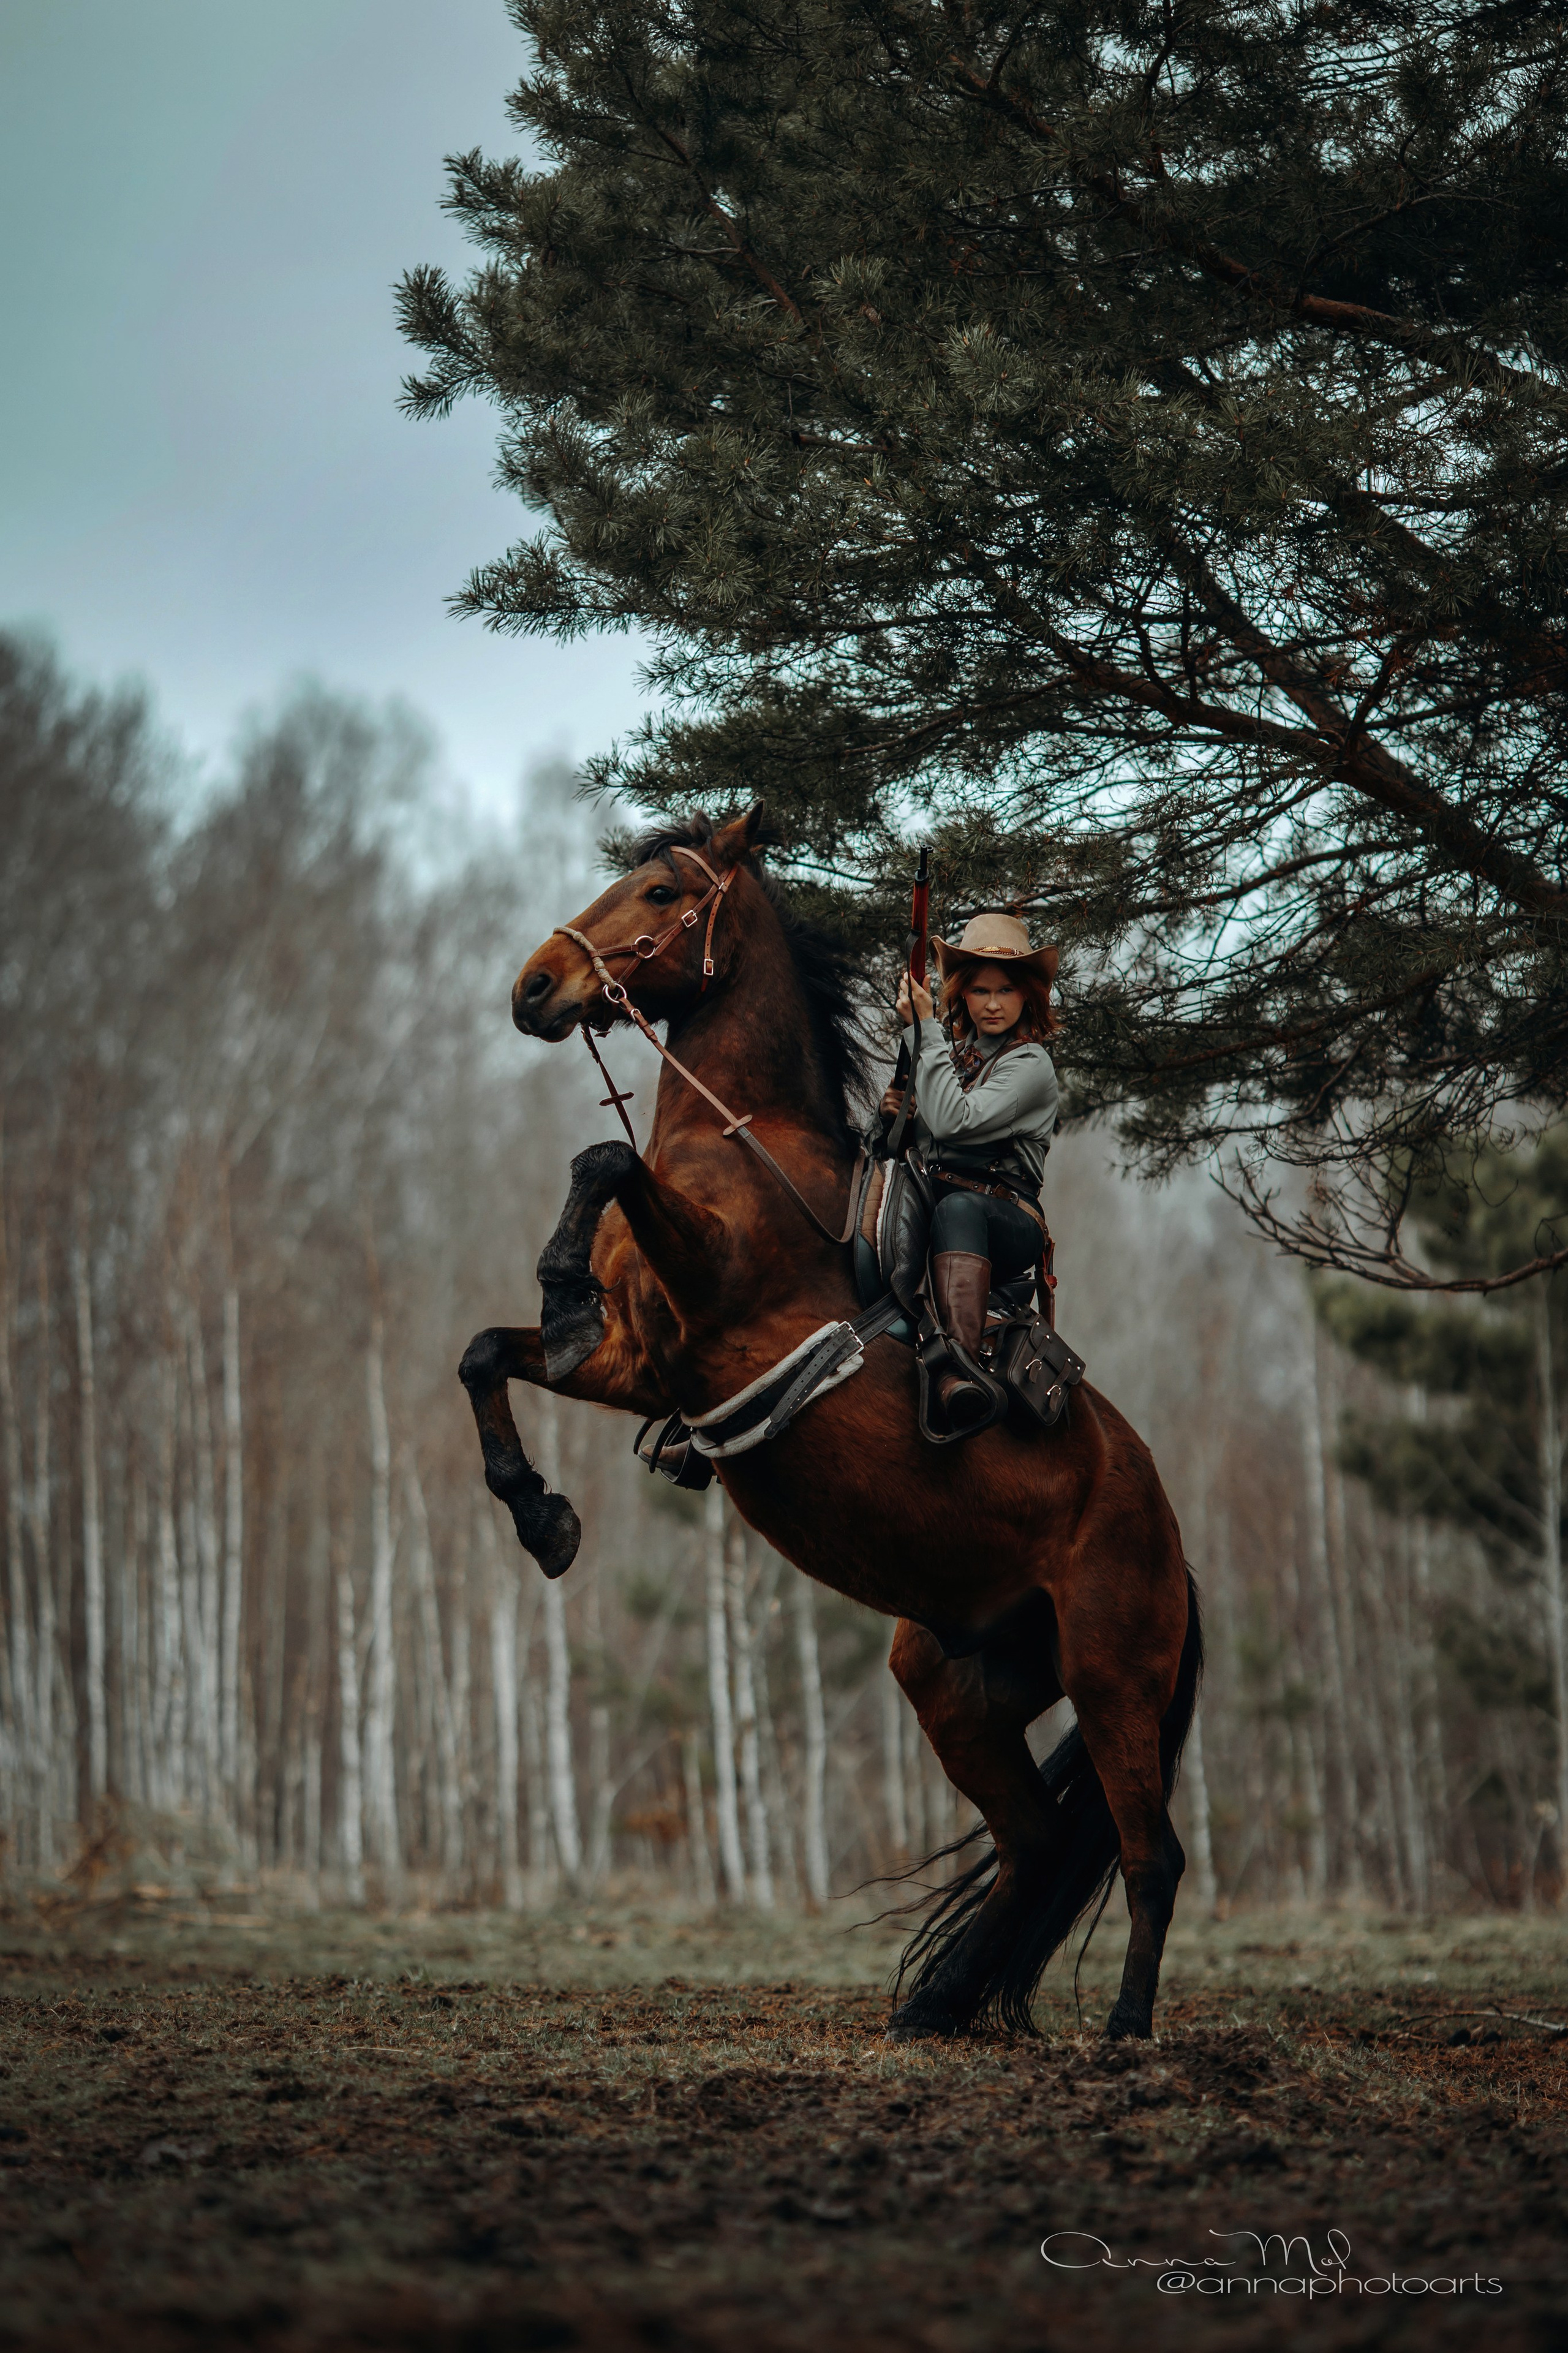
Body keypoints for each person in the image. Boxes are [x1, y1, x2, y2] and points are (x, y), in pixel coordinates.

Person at [888, 913, 1060, 1432]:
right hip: (937, 1205)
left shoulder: (1031, 1065)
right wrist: (896, 1115)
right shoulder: (955, 1056)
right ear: (962, 993)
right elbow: (917, 1139)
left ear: (1027, 995)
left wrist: (923, 1031)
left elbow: (953, 1121)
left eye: (1006, 989)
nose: (992, 1003)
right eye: (980, 990)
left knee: (959, 1208)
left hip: (1005, 1219)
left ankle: (958, 1367)